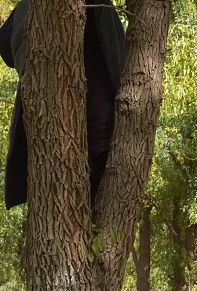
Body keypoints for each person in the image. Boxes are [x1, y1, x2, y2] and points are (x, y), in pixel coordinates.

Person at [0, 0, 126, 209]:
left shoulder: (28, 9)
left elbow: (5, 46)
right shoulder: (98, 8)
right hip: (93, 127)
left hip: (86, 125)